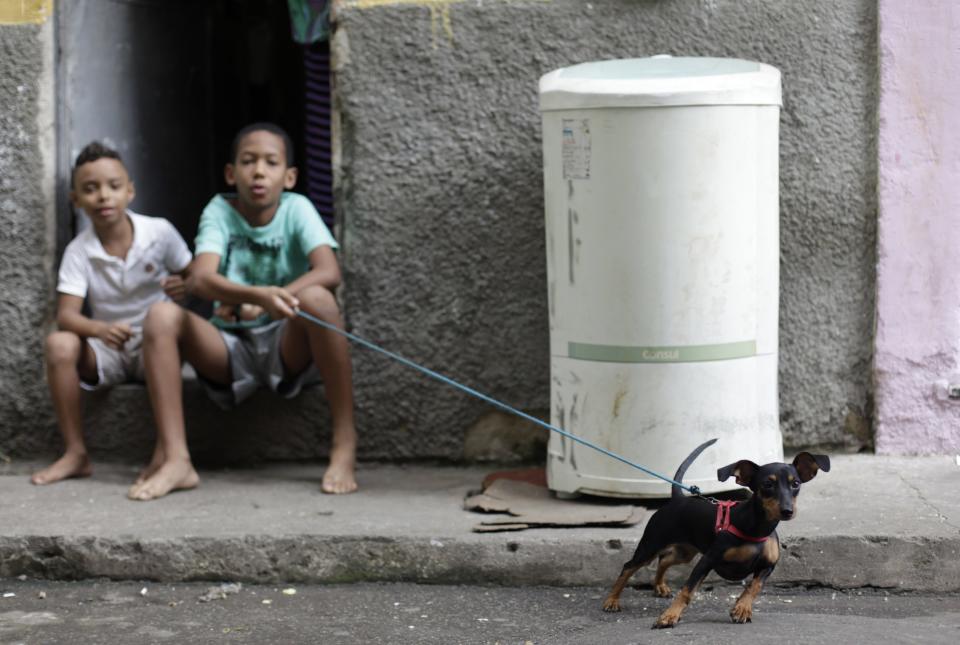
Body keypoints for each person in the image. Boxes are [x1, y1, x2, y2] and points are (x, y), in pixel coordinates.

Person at [130, 122, 357, 501]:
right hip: (228, 348)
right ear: (231, 173)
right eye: (249, 161)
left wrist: (274, 298)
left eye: (271, 162)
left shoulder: (297, 208)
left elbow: (328, 271)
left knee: (320, 299)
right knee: (160, 315)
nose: (259, 171)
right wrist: (256, 295)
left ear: (289, 176)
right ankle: (175, 457)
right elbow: (200, 279)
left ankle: (345, 441)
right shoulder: (219, 211)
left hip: (286, 345)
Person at [32, 142, 192, 487]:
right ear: (76, 199)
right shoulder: (79, 251)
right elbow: (67, 316)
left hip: (157, 346)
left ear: (130, 191)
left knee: (163, 322)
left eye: (113, 186)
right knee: (59, 343)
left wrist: (186, 286)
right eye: (90, 189)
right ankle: (76, 452)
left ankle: (166, 451)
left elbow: (195, 275)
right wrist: (100, 329)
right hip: (111, 349)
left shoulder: (159, 233)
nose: (103, 196)